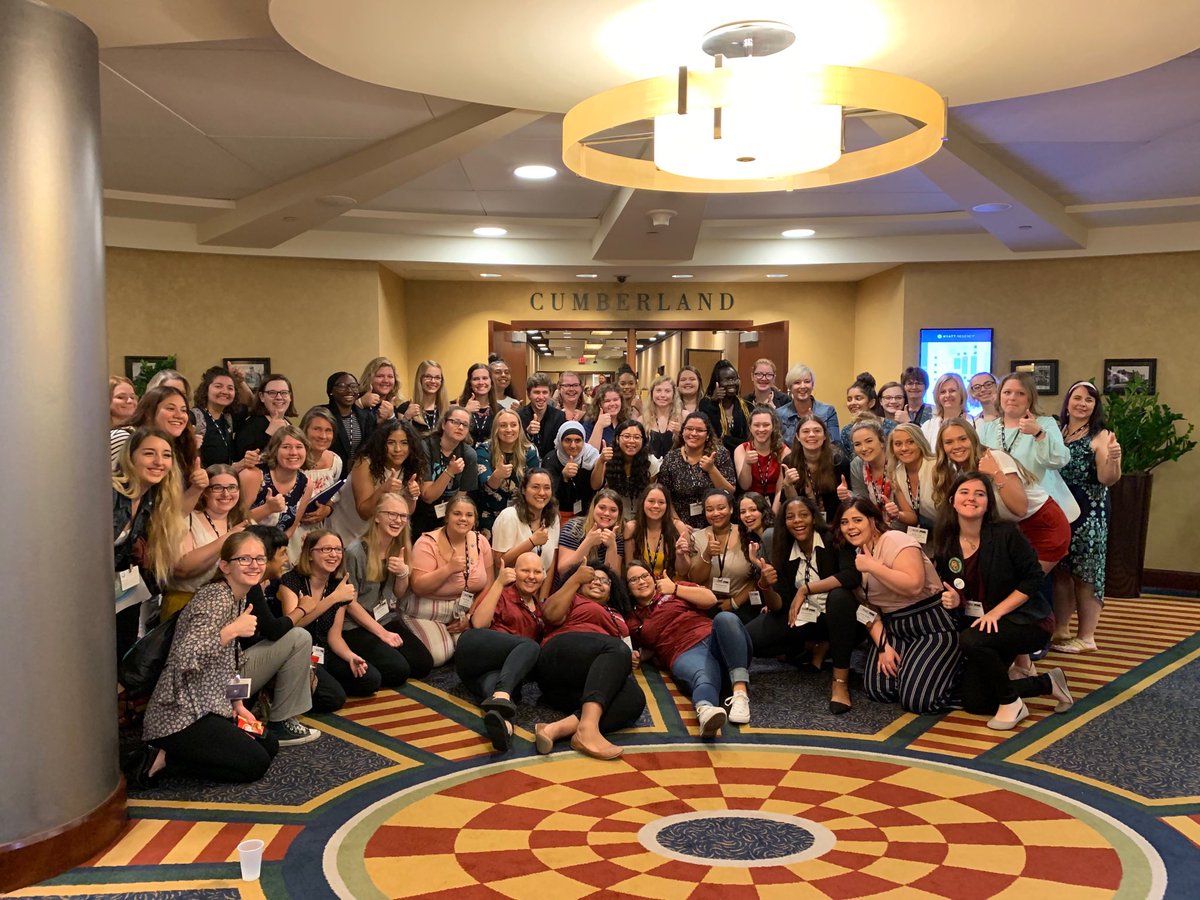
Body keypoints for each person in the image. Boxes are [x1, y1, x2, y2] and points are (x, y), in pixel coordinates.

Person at [134, 532, 280, 786]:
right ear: (225, 566)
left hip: (212, 705)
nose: (254, 565)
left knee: (269, 744)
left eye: (259, 558)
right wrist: (232, 630)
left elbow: (229, 661)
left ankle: (181, 755)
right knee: (255, 764)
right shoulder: (214, 599)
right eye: (244, 559)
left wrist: (237, 704)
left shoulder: (239, 597)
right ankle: (164, 758)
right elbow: (184, 657)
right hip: (181, 713)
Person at [934, 472, 1074, 729]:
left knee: (971, 639)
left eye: (980, 494)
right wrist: (956, 600)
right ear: (952, 500)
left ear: (988, 503)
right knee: (975, 701)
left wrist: (997, 612)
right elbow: (960, 589)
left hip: (1027, 621)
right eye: (965, 493)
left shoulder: (1006, 534)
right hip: (987, 627)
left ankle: (1012, 703)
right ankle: (1048, 683)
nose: (972, 499)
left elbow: (1032, 580)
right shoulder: (947, 542)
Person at [839, 497, 961, 714]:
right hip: (893, 627)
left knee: (918, 701)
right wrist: (883, 647)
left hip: (930, 624)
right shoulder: (857, 556)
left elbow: (913, 586)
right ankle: (922, 674)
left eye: (857, 520)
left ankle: (962, 676)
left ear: (873, 520)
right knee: (880, 691)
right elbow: (867, 611)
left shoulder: (895, 539)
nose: (851, 527)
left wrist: (874, 568)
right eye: (844, 522)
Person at [752, 496, 864, 712]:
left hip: (843, 619)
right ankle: (815, 646)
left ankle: (840, 682)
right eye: (790, 517)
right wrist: (765, 586)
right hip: (805, 618)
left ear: (814, 517)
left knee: (839, 596)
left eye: (803, 515)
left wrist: (806, 589)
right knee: (754, 640)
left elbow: (851, 575)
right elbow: (780, 605)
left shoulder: (832, 538)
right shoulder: (783, 547)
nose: (798, 521)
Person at [534, 563, 646, 760]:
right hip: (559, 658)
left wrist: (631, 659)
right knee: (616, 648)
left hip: (577, 689)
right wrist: (575, 580)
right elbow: (550, 614)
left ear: (612, 591)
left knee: (635, 698)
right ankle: (587, 730)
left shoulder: (618, 617)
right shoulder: (573, 597)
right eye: (592, 578)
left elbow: (622, 655)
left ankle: (558, 729)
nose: (598, 582)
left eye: (604, 581)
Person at [627, 564, 754, 735]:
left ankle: (740, 693)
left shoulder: (675, 587)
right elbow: (648, 648)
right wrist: (639, 655)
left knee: (726, 619)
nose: (641, 581)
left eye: (644, 576)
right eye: (634, 580)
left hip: (718, 640)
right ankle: (706, 711)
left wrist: (675, 588)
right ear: (628, 588)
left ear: (653, 578)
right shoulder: (633, 619)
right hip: (683, 652)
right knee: (702, 676)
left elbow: (710, 599)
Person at [231, 526, 322, 745]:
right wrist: (302, 609)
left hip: (233, 669)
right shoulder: (246, 584)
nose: (287, 559)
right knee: (299, 637)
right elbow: (273, 630)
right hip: (224, 676)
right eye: (282, 553)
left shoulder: (253, 583)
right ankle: (281, 724)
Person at [1052, 381, 1122, 653]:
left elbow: (1108, 478)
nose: (1082, 403)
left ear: (1095, 406)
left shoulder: (1101, 435)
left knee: (1086, 573)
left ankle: (1087, 636)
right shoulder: (1058, 432)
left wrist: (1113, 458)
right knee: (1061, 571)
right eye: (1077, 398)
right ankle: (1061, 629)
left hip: (1089, 513)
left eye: (1089, 400)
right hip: (1059, 510)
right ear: (1067, 402)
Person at [456, 553, 546, 750]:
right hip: (474, 648)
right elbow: (479, 624)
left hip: (484, 674)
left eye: (537, 572)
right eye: (525, 570)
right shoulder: (503, 592)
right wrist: (499, 582)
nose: (531, 576)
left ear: (544, 576)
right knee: (530, 646)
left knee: (505, 693)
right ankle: (503, 694)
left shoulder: (540, 607)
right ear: (514, 572)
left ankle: (504, 726)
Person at [341, 493, 433, 684]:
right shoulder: (355, 551)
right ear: (377, 516)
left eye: (403, 516)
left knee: (423, 664)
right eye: (391, 514)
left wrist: (402, 574)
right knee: (398, 671)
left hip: (384, 617)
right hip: (355, 624)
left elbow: (399, 594)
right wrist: (382, 634)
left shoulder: (400, 547)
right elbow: (350, 603)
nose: (398, 520)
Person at [279, 529, 376, 705]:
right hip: (298, 653)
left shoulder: (337, 585)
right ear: (309, 554)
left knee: (370, 679)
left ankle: (316, 684)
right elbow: (292, 626)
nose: (334, 555)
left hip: (323, 651)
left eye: (338, 549)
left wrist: (349, 656)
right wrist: (333, 599)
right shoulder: (291, 580)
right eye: (326, 549)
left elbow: (335, 635)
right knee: (333, 699)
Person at [113, 428, 186, 661]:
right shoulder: (109, 492)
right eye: (149, 453)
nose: (159, 462)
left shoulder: (154, 499)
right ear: (130, 456)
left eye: (166, 455)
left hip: (120, 590)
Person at [977, 372, 1079, 535]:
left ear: (1029, 399)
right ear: (999, 396)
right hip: (1001, 514)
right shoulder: (987, 428)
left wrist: (1038, 433)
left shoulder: (1045, 424)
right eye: (1007, 392)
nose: (1012, 397)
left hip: (1039, 512)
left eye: (1020, 393)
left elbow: (1059, 460)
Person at [407, 493, 495, 665]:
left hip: (462, 611)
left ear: (475, 519)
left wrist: (470, 616)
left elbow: (489, 583)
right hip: (427, 611)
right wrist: (448, 570)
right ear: (446, 517)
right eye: (457, 514)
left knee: (472, 652)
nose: (463, 519)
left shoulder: (481, 541)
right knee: (439, 657)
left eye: (469, 515)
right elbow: (417, 587)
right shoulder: (426, 542)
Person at [164, 464, 250, 619]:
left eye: (232, 487)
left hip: (229, 606)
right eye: (217, 488)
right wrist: (228, 538)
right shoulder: (188, 518)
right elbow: (181, 569)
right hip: (185, 604)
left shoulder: (241, 521)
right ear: (204, 492)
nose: (226, 494)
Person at [111, 386, 207, 513]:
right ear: (149, 412)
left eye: (183, 410)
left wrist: (197, 488)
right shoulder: (124, 438)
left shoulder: (177, 449)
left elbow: (173, 516)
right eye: (170, 408)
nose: (179, 415)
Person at [329, 418, 424, 544]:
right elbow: (364, 512)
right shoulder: (365, 464)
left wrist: (412, 496)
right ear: (381, 444)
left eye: (404, 443)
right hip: (346, 534)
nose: (398, 449)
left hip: (376, 539)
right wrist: (383, 490)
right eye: (391, 442)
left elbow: (406, 512)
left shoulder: (413, 465)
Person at [658, 411, 736, 529]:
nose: (693, 433)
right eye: (689, 429)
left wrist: (711, 469)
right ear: (683, 432)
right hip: (682, 525)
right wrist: (677, 523)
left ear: (708, 435)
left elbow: (729, 492)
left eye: (699, 430)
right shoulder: (671, 458)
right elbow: (664, 496)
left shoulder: (719, 454)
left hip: (715, 523)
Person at [474, 407, 541, 538]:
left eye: (513, 425)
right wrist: (497, 476)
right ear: (496, 429)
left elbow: (534, 486)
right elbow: (483, 490)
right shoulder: (484, 450)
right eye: (503, 425)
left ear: (519, 428)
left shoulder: (530, 451)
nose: (509, 429)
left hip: (521, 515)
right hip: (490, 516)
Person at [414, 406, 479, 538]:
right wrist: (450, 472)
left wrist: (448, 524)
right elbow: (427, 496)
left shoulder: (469, 455)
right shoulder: (425, 446)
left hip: (449, 517)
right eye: (455, 422)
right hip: (421, 514)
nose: (460, 427)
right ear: (443, 424)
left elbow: (460, 499)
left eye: (465, 425)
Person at [289, 407, 345, 560]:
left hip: (320, 531)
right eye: (317, 429)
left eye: (328, 430)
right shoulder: (292, 459)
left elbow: (334, 494)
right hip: (292, 532)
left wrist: (327, 509)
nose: (323, 436)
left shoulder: (335, 461)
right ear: (305, 430)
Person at [240, 426, 314, 540]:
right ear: (275, 450)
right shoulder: (253, 475)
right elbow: (235, 520)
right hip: (244, 545)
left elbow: (292, 528)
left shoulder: (306, 485)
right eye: (286, 447)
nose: (293, 452)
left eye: (299, 447)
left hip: (276, 550)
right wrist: (267, 509)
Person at [491, 468, 560, 583]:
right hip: (509, 589)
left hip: (537, 590)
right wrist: (532, 542)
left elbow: (551, 564)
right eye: (535, 487)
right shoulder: (509, 516)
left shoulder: (553, 518)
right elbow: (500, 562)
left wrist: (543, 599)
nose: (542, 493)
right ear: (523, 490)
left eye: (547, 488)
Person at [779, 414, 849, 525]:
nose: (811, 435)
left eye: (817, 431)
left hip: (835, 522)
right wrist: (788, 485)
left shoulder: (839, 461)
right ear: (797, 436)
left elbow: (850, 498)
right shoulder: (789, 462)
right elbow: (792, 502)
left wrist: (846, 494)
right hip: (802, 522)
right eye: (806, 431)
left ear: (825, 436)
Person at [557, 489, 626, 586]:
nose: (607, 513)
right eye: (602, 508)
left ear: (619, 514)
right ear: (593, 508)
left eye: (613, 510)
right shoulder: (573, 528)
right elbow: (564, 571)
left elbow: (614, 580)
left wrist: (612, 547)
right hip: (571, 589)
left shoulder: (617, 536)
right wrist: (588, 542)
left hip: (600, 591)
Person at [192, 366, 253, 470]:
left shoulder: (229, 417)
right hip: (202, 482)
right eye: (218, 386)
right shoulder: (193, 417)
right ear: (206, 389)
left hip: (227, 483)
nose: (225, 391)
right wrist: (234, 468)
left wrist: (240, 381)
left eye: (230, 388)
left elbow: (251, 402)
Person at [591, 418, 654, 515]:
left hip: (640, 516)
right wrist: (601, 461)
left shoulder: (651, 462)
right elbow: (595, 485)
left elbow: (649, 495)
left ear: (643, 441)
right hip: (612, 514)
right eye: (626, 436)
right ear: (617, 439)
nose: (631, 441)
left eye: (637, 437)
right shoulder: (607, 457)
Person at [541, 420, 599, 522]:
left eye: (577, 440)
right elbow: (549, 495)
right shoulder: (551, 459)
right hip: (558, 514)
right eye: (568, 440)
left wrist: (601, 463)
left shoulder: (591, 456)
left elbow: (596, 487)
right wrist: (564, 478)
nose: (573, 445)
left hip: (588, 514)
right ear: (560, 441)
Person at [886, 424, 937, 534]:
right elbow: (912, 517)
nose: (904, 448)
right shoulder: (895, 473)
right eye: (898, 444)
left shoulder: (937, 467)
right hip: (928, 531)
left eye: (911, 442)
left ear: (920, 443)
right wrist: (897, 514)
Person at [624, 484, 684, 579]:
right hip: (644, 587)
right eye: (651, 501)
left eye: (661, 502)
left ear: (667, 506)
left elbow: (684, 571)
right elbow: (630, 568)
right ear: (643, 502)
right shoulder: (632, 528)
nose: (656, 506)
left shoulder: (678, 527)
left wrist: (681, 556)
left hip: (673, 586)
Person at [841, 420, 895, 523]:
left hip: (901, 525)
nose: (864, 448)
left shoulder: (896, 462)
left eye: (869, 441)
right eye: (857, 444)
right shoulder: (857, 464)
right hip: (874, 523)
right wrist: (848, 496)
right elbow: (863, 504)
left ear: (882, 442)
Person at [234, 374, 298, 459]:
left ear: (290, 397)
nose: (279, 397)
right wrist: (269, 434)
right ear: (262, 397)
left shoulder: (287, 422)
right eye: (272, 393)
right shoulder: (251, 425)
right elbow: (244, 459)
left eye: (284, 393)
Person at [325, 371, 376, 472]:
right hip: (330, 472)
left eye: (353, 386)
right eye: (342, 386)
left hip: (358, 474)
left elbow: (371, 447)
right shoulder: (322, 414)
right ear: (331, 391)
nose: (349, 390)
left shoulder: (365, 416)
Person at [777, 363, 839, 445]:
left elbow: (835, 445)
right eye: (797, 382)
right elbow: (776, 445)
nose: (802, 386)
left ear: (812, 385)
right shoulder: (779, 414)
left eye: (807, 381)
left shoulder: (828, 411)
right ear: (790, 387)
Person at [734, 405, 786, 499]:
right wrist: (747, 463)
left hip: (777, 499)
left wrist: (773, 513)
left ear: (773, 427)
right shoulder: (741, 449)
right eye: (756, 425)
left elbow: (781, 490)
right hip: (749, 499)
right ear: (750, 427)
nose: (761, 429)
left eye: (766, 425)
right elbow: (745, 485)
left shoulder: (783, 451)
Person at [700, 359, 751, 454]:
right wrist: (714, 403)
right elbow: (713, 436)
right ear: (717, 383)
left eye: (734, 379)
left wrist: (727, 440)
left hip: (743, 456)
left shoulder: (747, 406)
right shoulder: (706, 404)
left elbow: (750, 439)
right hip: (715, 456)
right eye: (727, 379)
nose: (732, 383)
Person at [839, 373, 895, 454]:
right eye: (849, 399)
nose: (853, 403)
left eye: (858, 398)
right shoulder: (847, 431)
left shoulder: (891, 427)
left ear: (871, 403)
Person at [518, 372, 566, 459]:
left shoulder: (559, 416)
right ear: (529, 395)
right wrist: (527, 434)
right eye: (536, 392)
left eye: (545, 392)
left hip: (550, 467)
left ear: (550, 394)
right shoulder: (518, 416)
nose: (541, 397)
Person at [921, 372, 971, 444]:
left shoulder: (975, 423)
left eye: (952, 391)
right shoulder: (928, 427)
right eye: (943, 392)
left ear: (962, 393)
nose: (947, 395)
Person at [457, 362, 500, 444]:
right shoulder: (459, 407)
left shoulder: (499, 409)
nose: (481, 382)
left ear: (491, 382)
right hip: (464, 454)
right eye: (476, 379)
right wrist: (466, 412)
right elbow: (451, 433)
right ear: (470, 383)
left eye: (485, 378)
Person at [404, 359, 448, 434]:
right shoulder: (405, 408)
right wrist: (406, 418)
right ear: (420, 379)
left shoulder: (447, 410)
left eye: (437, 378)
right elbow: (400, 438)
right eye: (428, 376)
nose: (433, 381)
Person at [644, 374, 682, 457]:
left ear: (673, 394)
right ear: (651, 393)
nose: (662, 395)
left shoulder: (684, 416)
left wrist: (682, 432)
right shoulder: (642, 419)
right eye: (658, 390)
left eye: (667, 391)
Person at [584, 383, 629, 450]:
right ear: (600, 404)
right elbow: (589, 455)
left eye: (615, 399)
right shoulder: (590, 423)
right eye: (607, 401)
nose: (612, 404)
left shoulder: (626, 422)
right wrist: (599, 426)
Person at [356, 357, 400, 424]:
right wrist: (359, 404)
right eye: (380, 376)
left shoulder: (397, 403)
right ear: (369, 378)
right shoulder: (357, 400)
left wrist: (392, 417)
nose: (386, 380)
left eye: (390, 376)